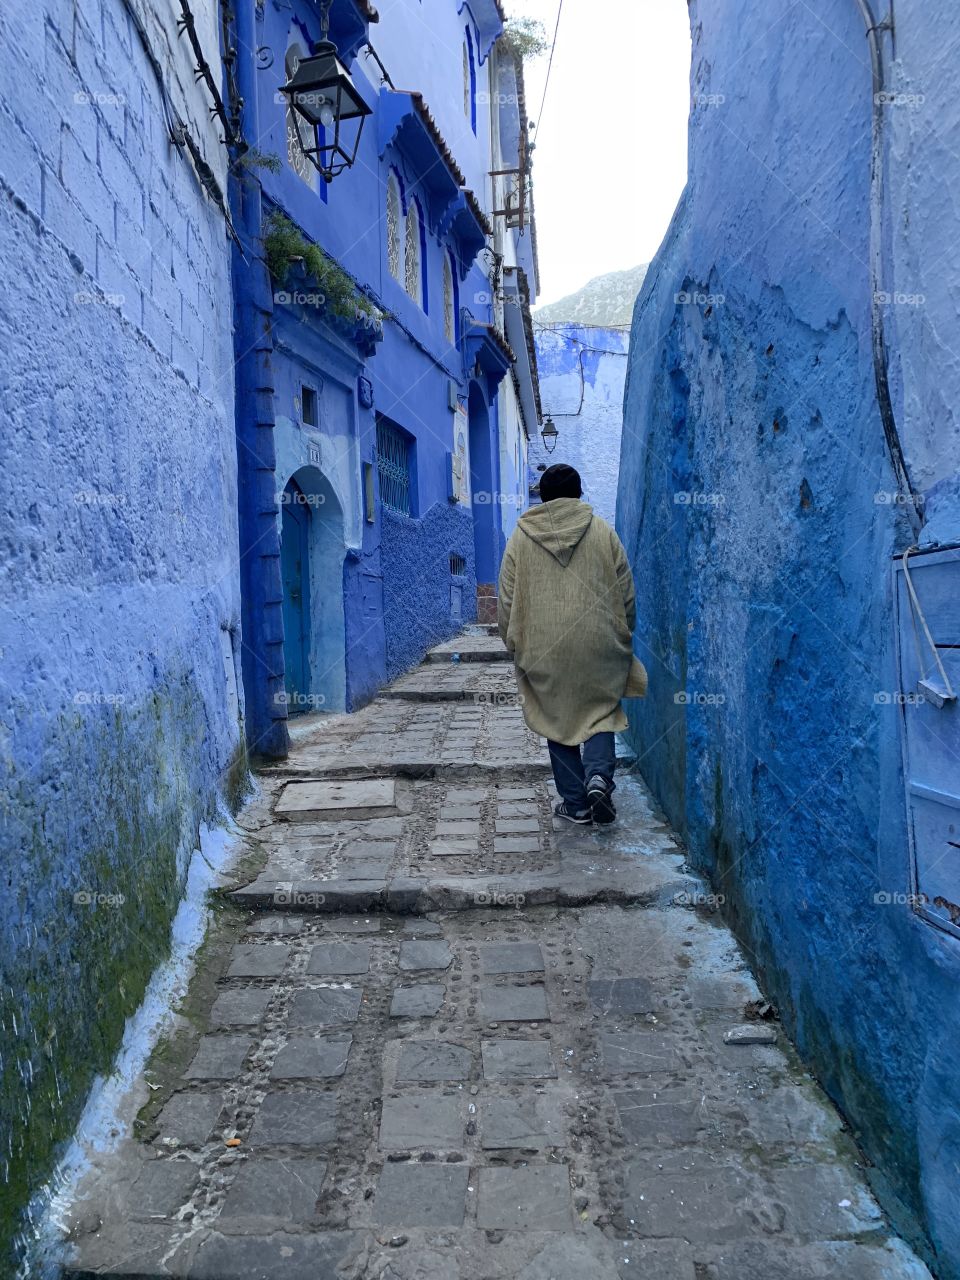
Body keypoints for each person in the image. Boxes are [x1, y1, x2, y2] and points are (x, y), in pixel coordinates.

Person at [497, 463, 647, 825]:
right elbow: (626, 591)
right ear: (579, 493)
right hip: (599, 641)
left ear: (542, 496)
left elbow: (505, 598)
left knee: (556, 715)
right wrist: (623, 633)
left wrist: (512, 642)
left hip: (543, 645)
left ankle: (576, 803)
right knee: (600, 711)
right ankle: (599, 777)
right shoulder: (603, 532)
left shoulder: (521, 536)